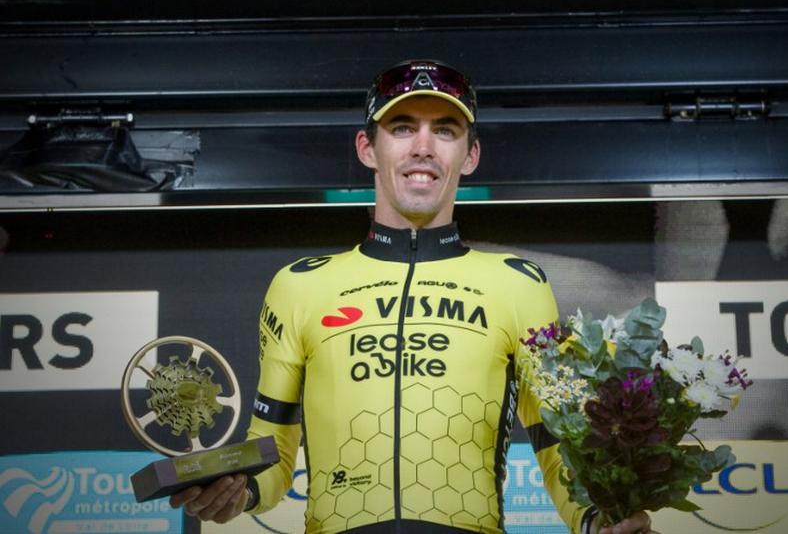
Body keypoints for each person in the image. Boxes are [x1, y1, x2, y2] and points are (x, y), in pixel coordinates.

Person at [170, 60, 657, 534]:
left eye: (444, 130)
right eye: (402, 127)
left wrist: (600, 520)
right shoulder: (299, 284)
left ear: (470, 155)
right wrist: (239, 491)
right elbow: (271, 451)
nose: (423, 147)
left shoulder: (519, 283)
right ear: (367, 148)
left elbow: (556, 446)